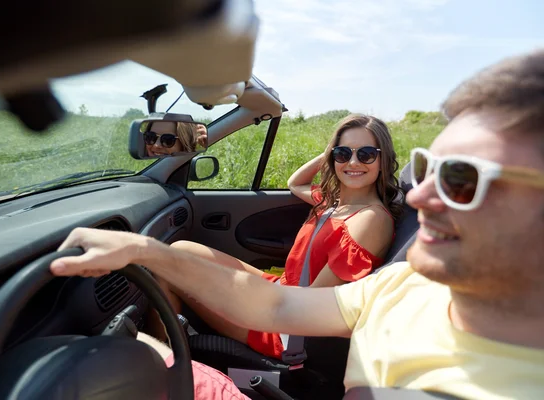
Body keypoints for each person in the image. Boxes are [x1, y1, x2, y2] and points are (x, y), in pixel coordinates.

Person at [50, 48, 544, 400]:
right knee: (178, 263)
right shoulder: (402, 283)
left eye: (463, 178)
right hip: (287, 296)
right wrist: (144, 251)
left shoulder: (370, 221)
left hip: (292, 338)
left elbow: (295, 317)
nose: (419, 195)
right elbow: (287, 296)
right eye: (427, 168)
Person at [149, 114, 402, 358]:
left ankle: (164, 366)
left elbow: (311, 303)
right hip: (281, 290)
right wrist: (330, 153)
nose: (354, 162)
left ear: (383, 160)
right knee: (178, 251)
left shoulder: (370, 219)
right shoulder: (335, 202)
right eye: (344, 153)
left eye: (366, 154)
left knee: (168, 271)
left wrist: (241, 293)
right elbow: (295, 183)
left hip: (285, 326)